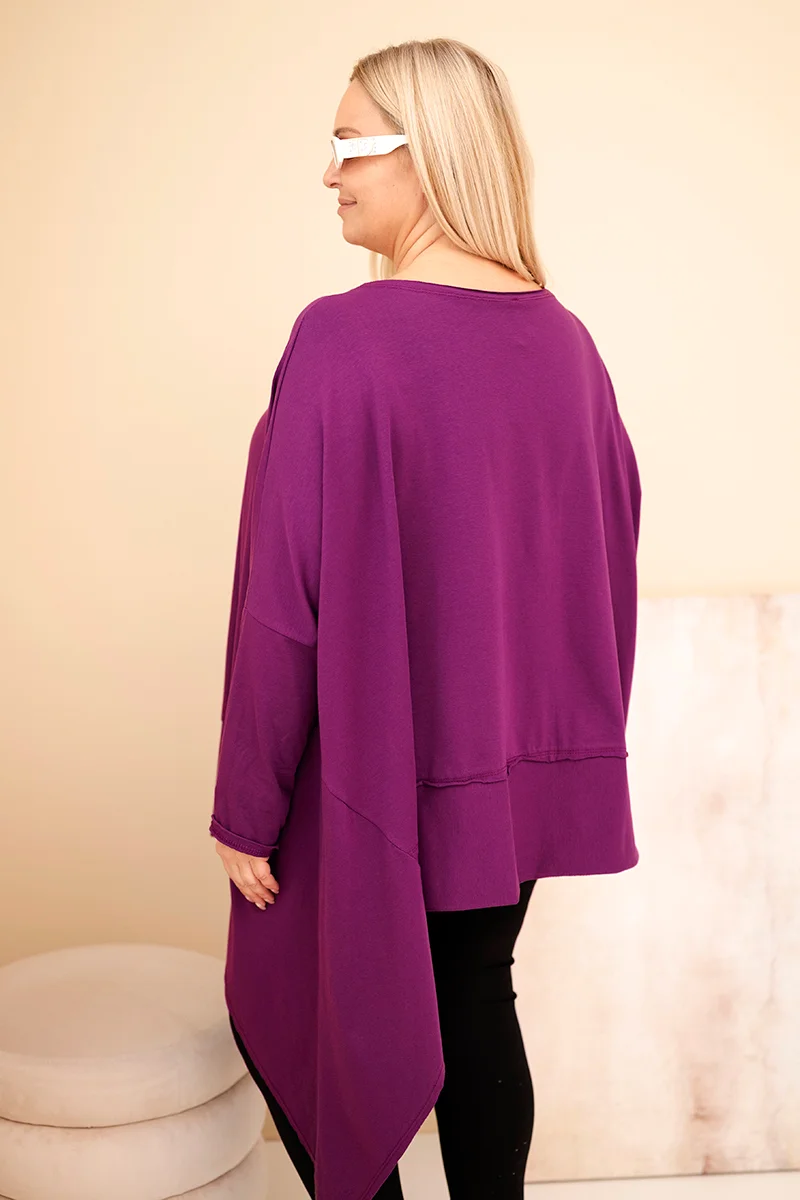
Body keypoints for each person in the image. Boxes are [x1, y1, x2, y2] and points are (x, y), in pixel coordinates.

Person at [209, 36, 641, 1200]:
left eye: (351, 143)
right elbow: (606, 563)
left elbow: (282, 604)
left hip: (371, 773)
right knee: (472, 995)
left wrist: (248, 803)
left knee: (290, 1008)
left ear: (429, 153)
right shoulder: (567, 343)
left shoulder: (341, 337)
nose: (330, 172)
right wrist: (564, 757)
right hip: (513, 769)